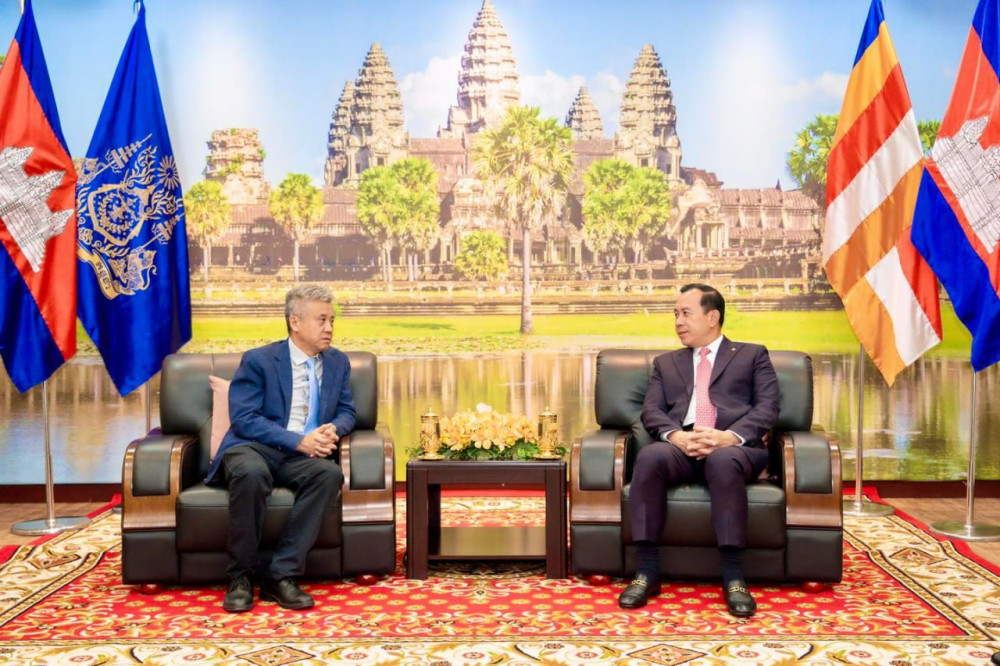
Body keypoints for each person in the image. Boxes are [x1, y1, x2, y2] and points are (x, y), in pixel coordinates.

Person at [619, 283, 780, 617]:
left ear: (712, 317)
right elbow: (652, 411)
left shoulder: (752, 355)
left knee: (723, 461)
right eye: (675, 314)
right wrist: (676, 435)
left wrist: (729, 437)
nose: (678, 321)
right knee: (650, 456)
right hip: (683, 443)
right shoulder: (666, 363)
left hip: (733, 446)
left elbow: (768, 408)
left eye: (686, 313)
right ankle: (646, 572)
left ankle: (733, 577)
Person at [207, 285, 356, 613]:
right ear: (295, 322)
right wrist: (297, 440)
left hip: (302, 457)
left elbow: (347, 410)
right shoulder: (259, 360)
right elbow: (245, 419)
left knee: (329, 475)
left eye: (332, 320)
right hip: (253, 447)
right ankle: (241, 577)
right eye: (321, 320)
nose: (329, 328)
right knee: (250, 473)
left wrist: (334, 428)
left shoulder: (338, 362)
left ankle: (280, 576)